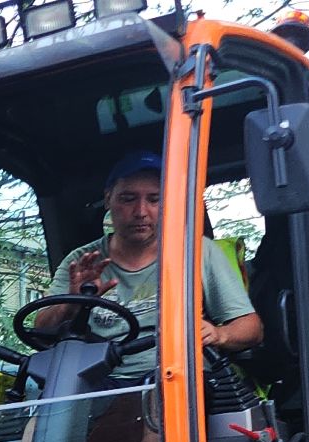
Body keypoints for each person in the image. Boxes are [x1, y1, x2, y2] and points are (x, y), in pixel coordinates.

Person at [34, 149, 262, 379]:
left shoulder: (197, 252)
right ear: (108, 199)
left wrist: (219, 334)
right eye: (128, 199)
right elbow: (41, 331)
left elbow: (251, 328)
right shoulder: (81, 260)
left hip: (182, 383)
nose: (141, 212)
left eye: (154, 199)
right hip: (98, 383)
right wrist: (72, 301)